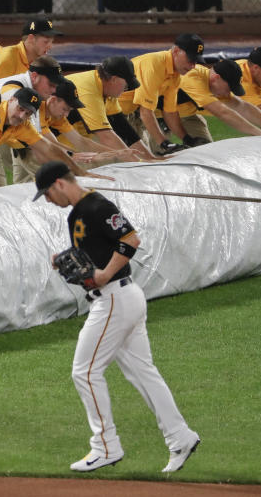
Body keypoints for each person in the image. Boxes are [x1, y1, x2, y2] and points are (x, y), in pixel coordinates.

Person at [32, 160, 200, 473]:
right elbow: (89, 255)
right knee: (143, 373)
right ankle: (180, 436)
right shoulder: (77, 213)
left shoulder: (96, 206)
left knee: (84, 372)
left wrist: (104, 273)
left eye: (46, 194)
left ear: (59, 183)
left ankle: (106, 447)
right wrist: (61, 259)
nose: (47, 201)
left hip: (114, 300)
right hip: (121, 299)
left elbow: (130, 239)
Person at [0, 88, 104, 192]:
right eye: (20, 108)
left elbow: (48, 148)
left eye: (28, 113)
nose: (22, 116)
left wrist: (80, 172)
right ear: (11, 100)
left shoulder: (22, 124)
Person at [158, 59, 261, 147]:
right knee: (158, 155)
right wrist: (259, 132)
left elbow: (242, 107)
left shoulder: (216, 86)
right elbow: (222, 112)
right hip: (151, 115)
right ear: (216, 78)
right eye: (229, 88)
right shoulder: (192, 78)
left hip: (183, 113)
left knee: (206, 150)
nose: (228, 93)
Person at [0, 55, 66, 183]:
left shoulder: (33, 96)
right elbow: (30, 143)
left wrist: (65, 155)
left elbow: (37, 135)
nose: (54, 90)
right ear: (34, 76)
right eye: (51, 84)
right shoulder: (13, 93)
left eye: (56, 86)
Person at [116, 33, 206, 155]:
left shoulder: (175, 75)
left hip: (128, 115)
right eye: (190, 59)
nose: (193, 66)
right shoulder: (155, 64)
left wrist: (187, 139)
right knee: (103, 164)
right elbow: (145, 112)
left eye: (196, 61)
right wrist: (164, 143)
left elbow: (169, 112)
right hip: (107, 113)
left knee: (143, 160)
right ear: (176, 51)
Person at [65, 56, 159, 161]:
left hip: (63, 144)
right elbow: (106, 136)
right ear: (114, 79)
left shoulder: (107, 89)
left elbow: (124, 130)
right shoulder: (89, 91)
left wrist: (151, 159)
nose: (126, 89)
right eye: (126, 85)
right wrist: (138, 163)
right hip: (50, 145)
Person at [0, 18, 63, 85]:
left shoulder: (37, 62)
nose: (50, 46)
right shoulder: (8, 58)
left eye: (51, 42)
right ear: (31, 38)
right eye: (46, 42)